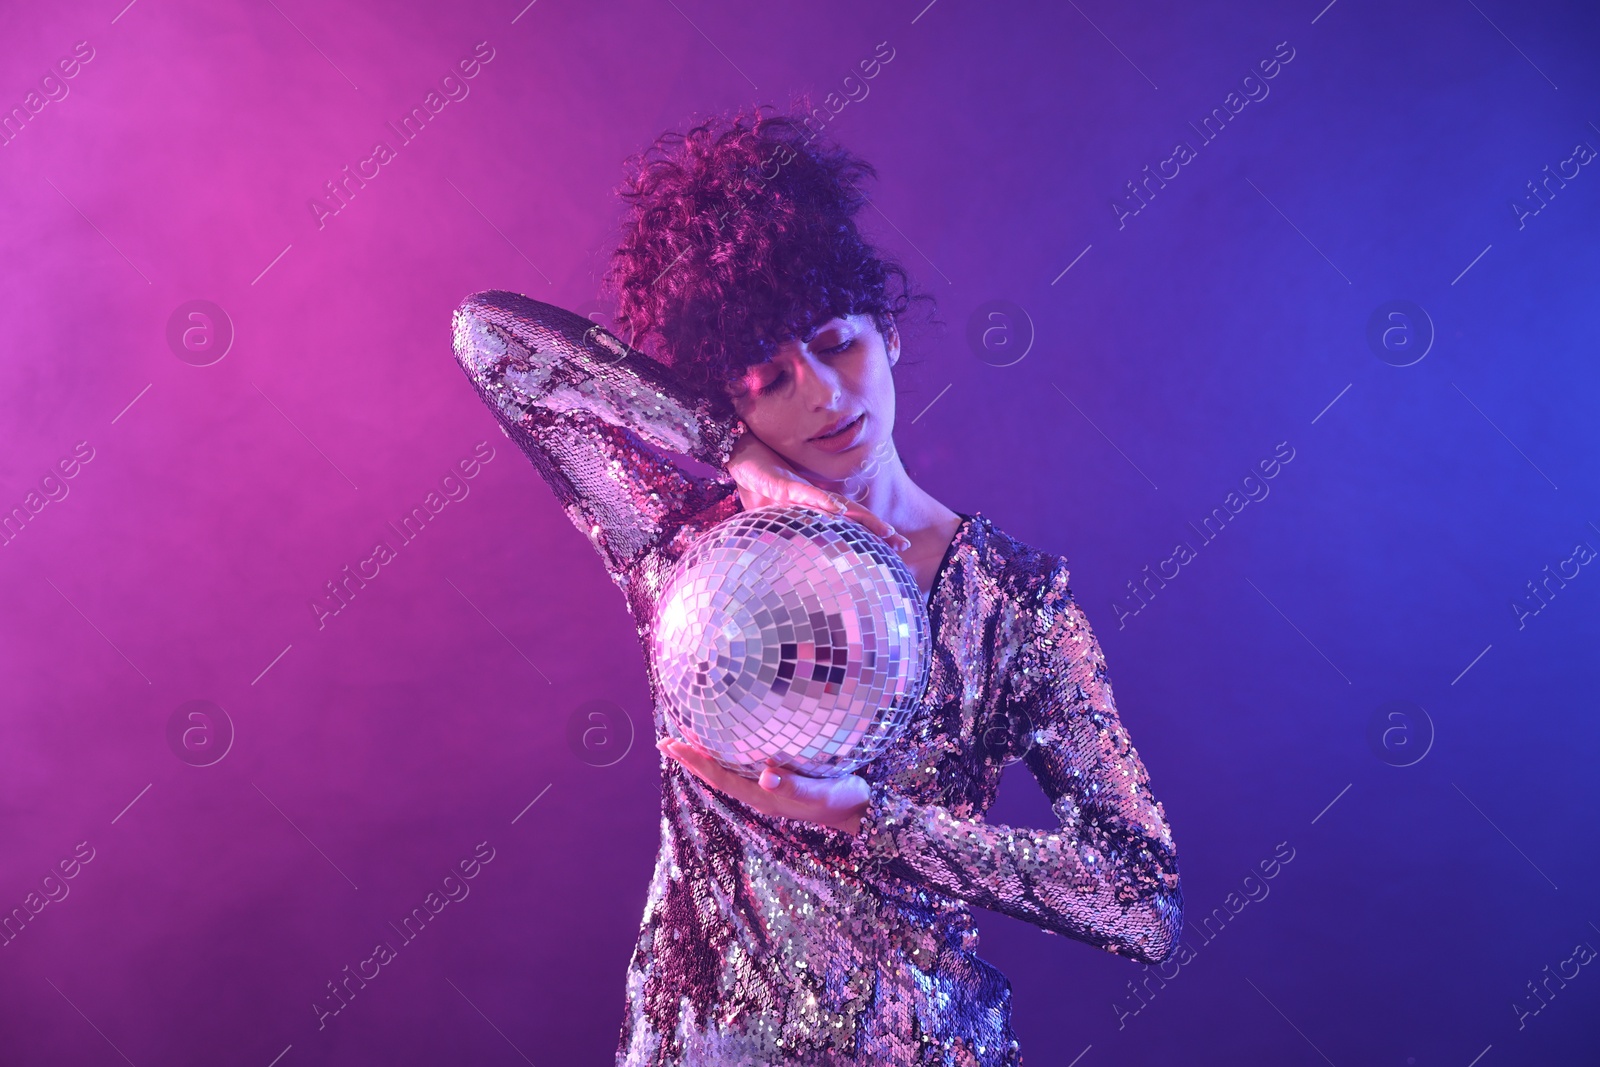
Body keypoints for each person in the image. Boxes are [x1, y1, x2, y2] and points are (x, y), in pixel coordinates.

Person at [450, 104, 1182, 1067]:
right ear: (728, 398)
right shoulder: (685, 546)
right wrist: (732, 457)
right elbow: (488, 336)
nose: (826, 396)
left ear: (886, 329)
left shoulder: (1014, 600)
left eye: (838, 343)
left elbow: (1138, 899)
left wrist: (866, 818)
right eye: (768, 378)